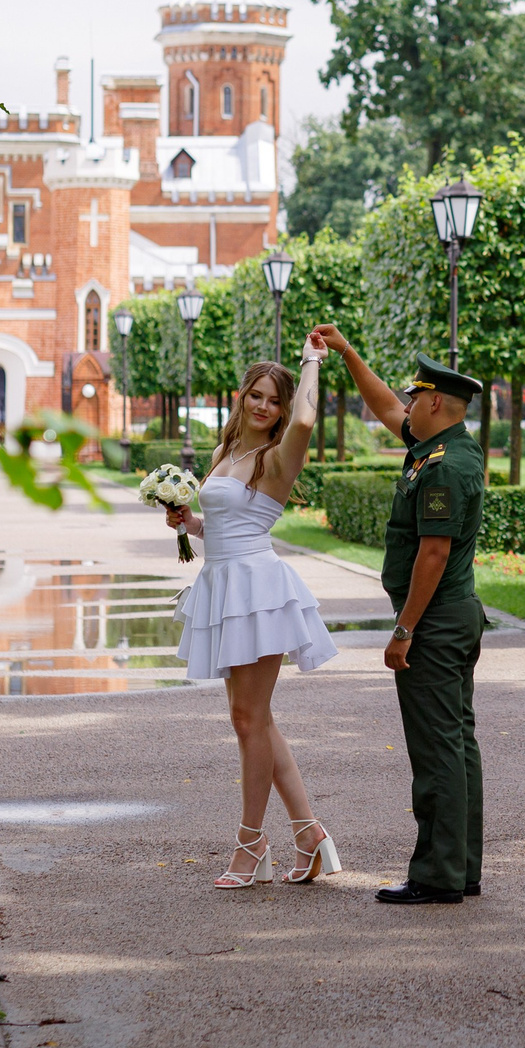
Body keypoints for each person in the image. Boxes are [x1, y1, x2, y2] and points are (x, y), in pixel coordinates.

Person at [309, 328, 487, 905]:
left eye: (416, 397)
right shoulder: (446, 446)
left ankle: (438, 876)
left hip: (434, 623)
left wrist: (403, 630)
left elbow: (433, 554)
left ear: (436, 402)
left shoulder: (441, 467)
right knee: (457, 743)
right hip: (453, 617)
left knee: (437, 750)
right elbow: (384, 404)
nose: (405, 405)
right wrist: (347, 353)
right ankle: (460, 868)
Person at [166, 347, 344, 888]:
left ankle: (250, 843)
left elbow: (309, 417)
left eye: (275, 400)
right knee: (257, 719)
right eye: (257, 395)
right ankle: (310, 836)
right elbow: (221, 527)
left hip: (258, 591)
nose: (265, 406)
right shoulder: (227, 449)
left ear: (284, 408)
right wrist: (189, 521)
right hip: (223, 583)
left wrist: (313, 359)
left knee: (248, 720)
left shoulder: (279, 454)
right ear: (242, 396)